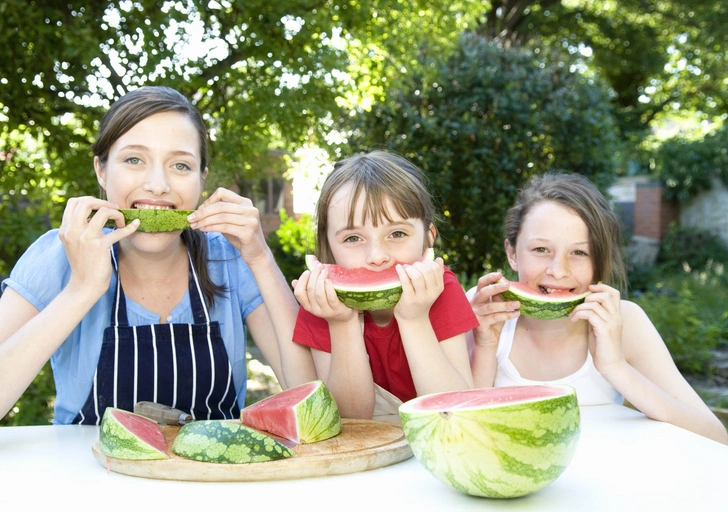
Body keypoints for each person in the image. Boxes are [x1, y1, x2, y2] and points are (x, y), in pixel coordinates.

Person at [0, 86, 316, 424]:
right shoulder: (60, 254)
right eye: (134, 159)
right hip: (87, 475)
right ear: (101, 171)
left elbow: (309, 402)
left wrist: (261, 258)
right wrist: (81, 290)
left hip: (212, 474)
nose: (157, 185)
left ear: (201, 181)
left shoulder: (230, 258)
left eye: (181, 165)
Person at [467, 172, 728, 444]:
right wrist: (485, 347)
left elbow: (716, 437)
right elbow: (460, 431)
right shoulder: (485, 308)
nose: (558, 271)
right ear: (512, 253)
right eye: (541, 249)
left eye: (580, 253)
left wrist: (616, 367)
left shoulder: (625, 321)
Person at [292, 150, 477, 420]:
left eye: (397, 233)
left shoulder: (441, 289)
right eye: (353, 238)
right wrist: (342, 324)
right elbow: (350, 420)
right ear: (328, 246)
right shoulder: (321, 301)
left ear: (429, 236)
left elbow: (453, 412)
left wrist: (414, 320)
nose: (377, 256)